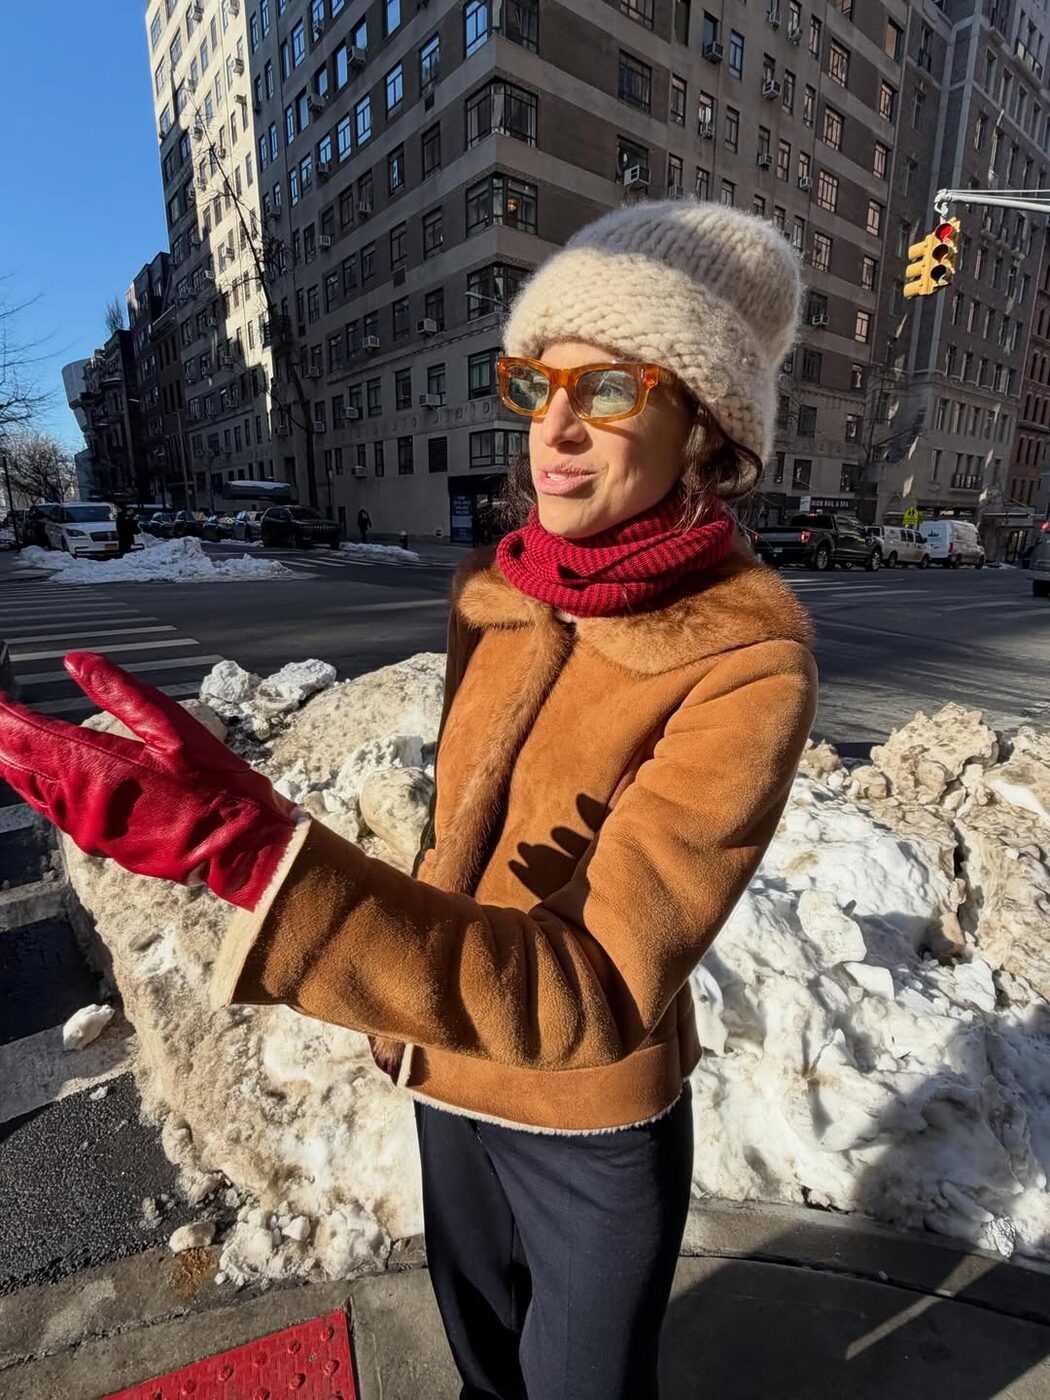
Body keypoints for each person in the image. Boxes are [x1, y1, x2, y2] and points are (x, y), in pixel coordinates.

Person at [0, 202, 816, 1399]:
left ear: (703, 425)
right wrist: (271, 822)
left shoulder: (745, 664)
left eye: (609, 388)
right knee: (482, 1364)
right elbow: (458, 835)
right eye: (537, 383)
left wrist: (263, 861)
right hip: (445, 1075)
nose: (556, 431)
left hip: (587, 1120)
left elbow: (595, 984)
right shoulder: (496, 591)